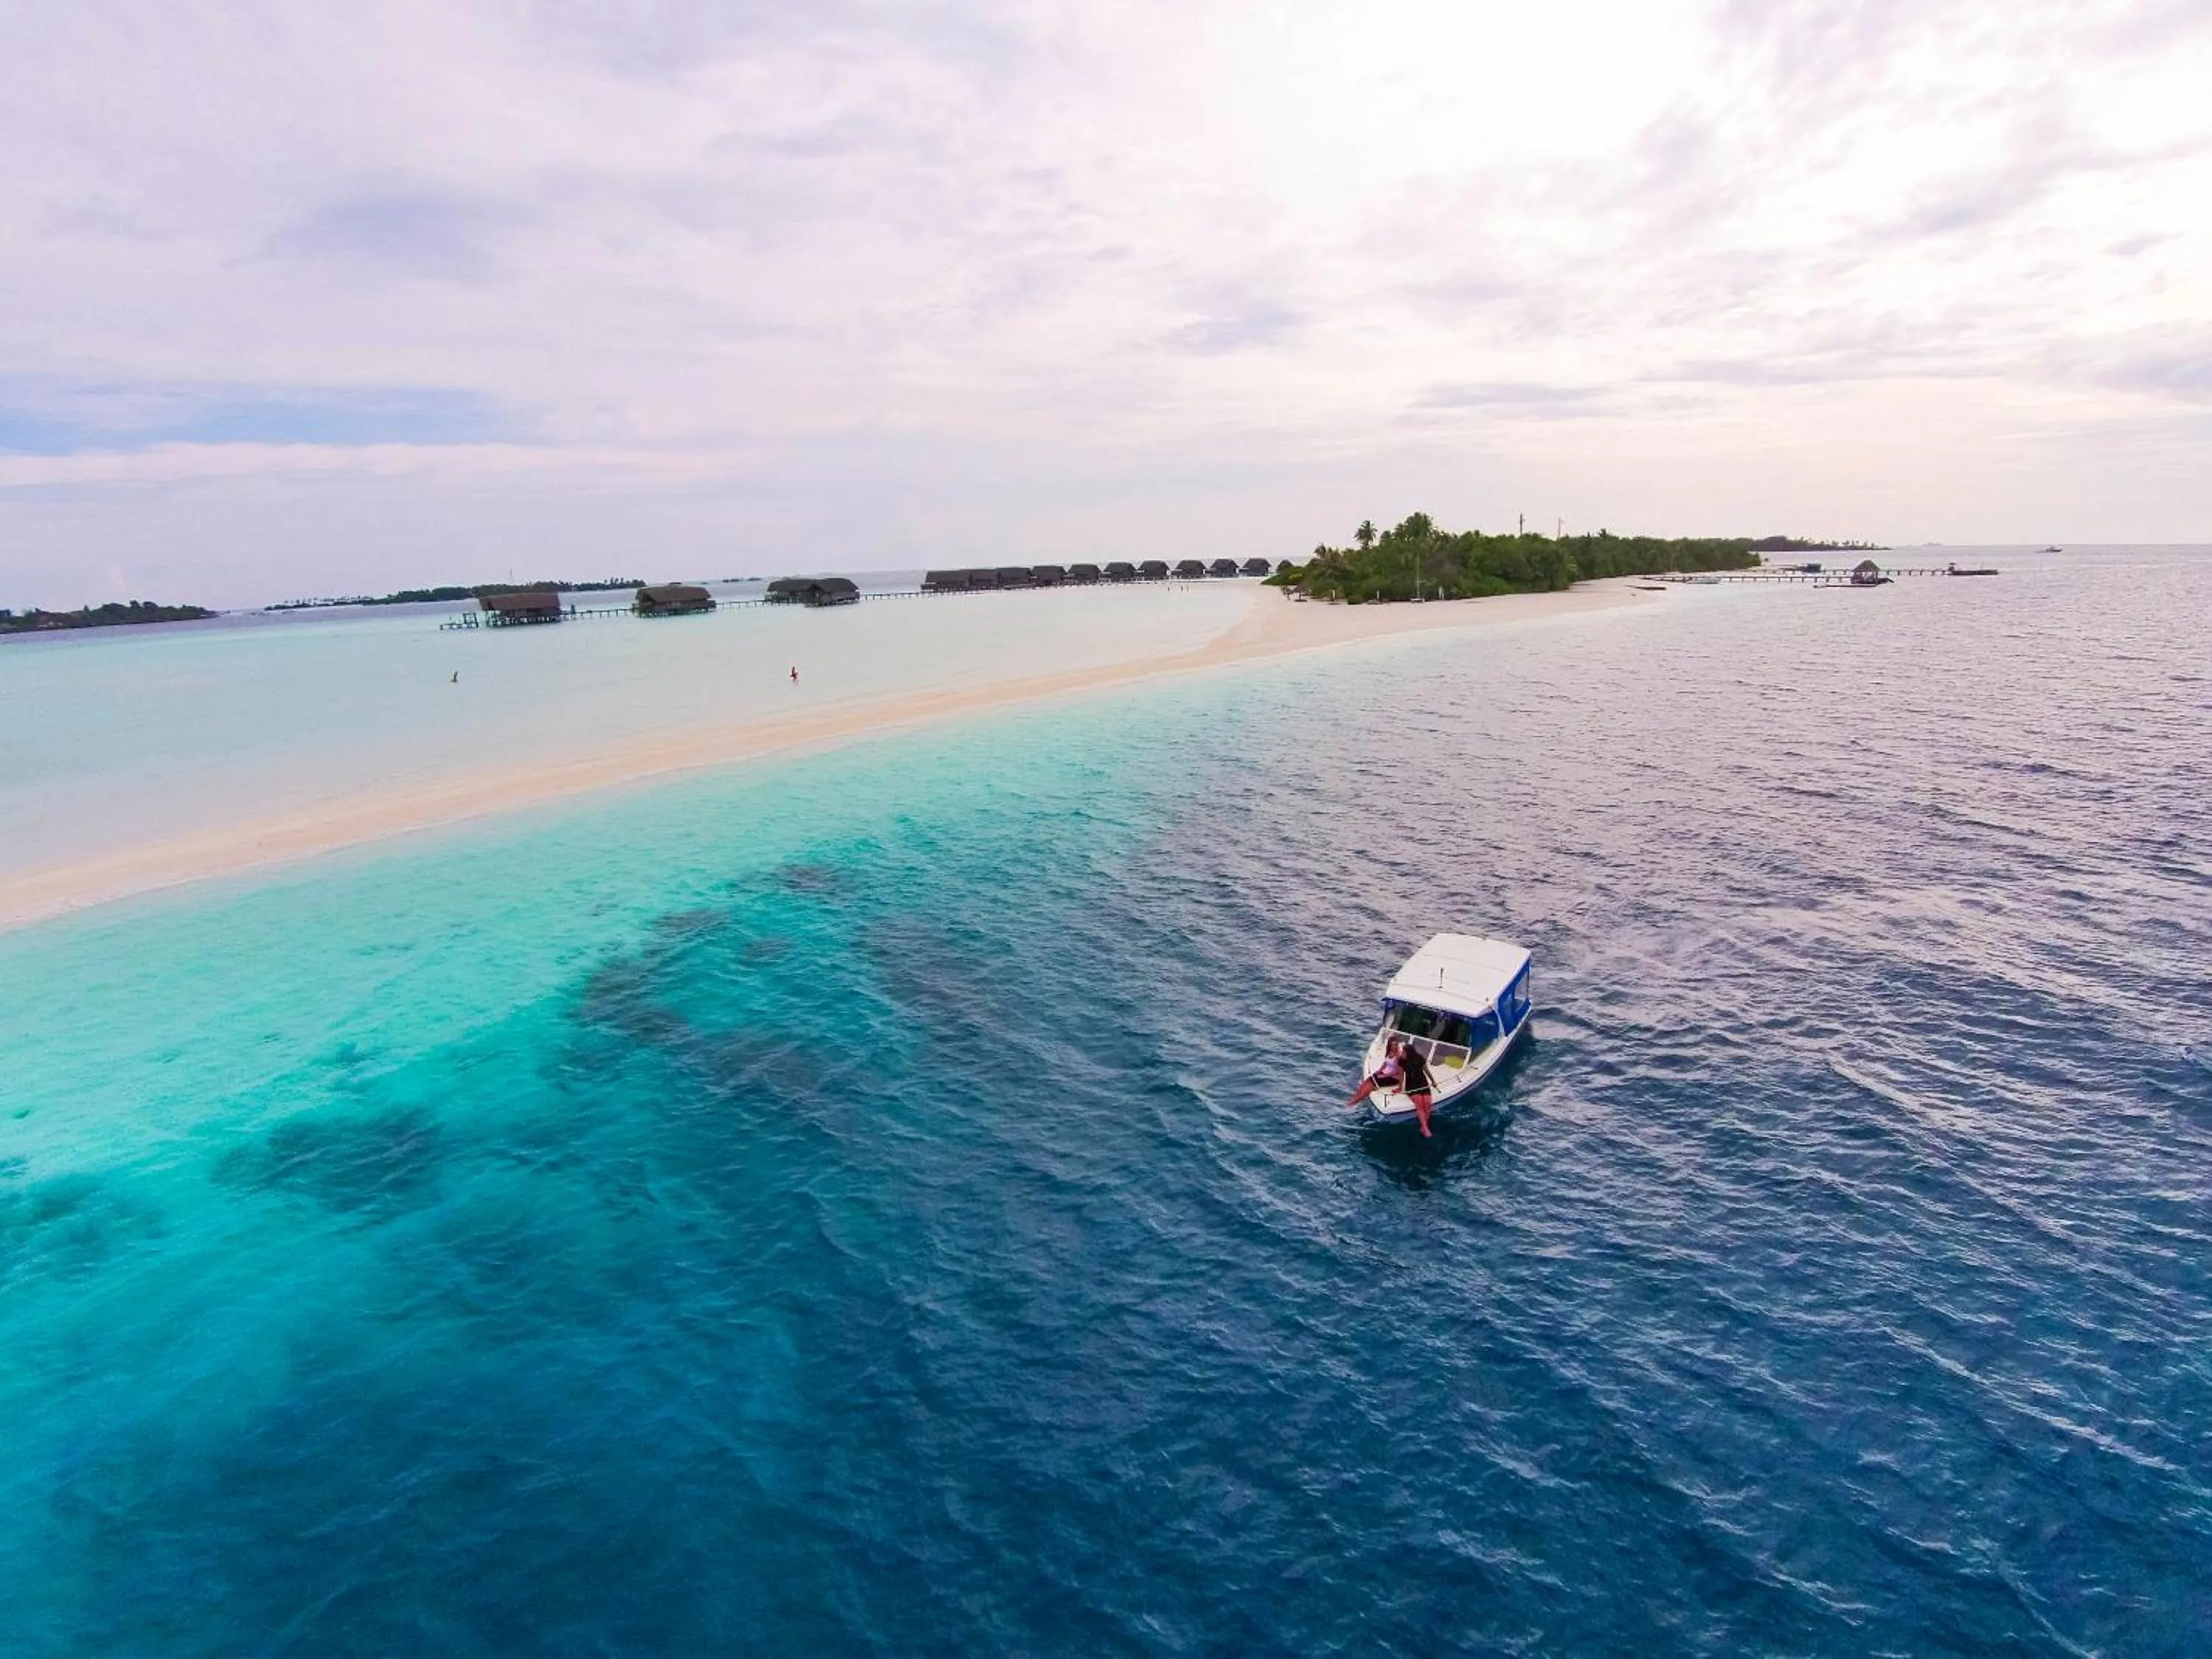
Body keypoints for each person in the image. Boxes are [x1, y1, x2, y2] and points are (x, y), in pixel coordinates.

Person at [1347, 1037, 1436, 1137]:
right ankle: (1356, 1098)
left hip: (1422, 1083)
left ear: (1409, 1053)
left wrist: (1433, 1082)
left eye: (1404, 1052)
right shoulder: (1403, 1061)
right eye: (1392, 1045)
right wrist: (1398, 1086)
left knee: (1427, 1103)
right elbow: (1401, 1075)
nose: (1402, 1053)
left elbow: (1425, 1071)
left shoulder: (1418, 1059)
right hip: (1411, 1085)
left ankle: (1425, 1126)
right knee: (1368, 1080)